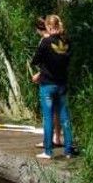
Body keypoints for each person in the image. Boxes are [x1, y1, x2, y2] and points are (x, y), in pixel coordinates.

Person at [31, 15, 75, 159]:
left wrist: (41, 71)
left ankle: (48, 151)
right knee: (65, 117)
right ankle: (68, 151)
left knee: (48, 118)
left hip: (48, 84)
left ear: (49, 27)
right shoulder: (67, 42)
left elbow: (35, 60)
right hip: (62, 84)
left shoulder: (45, 42)